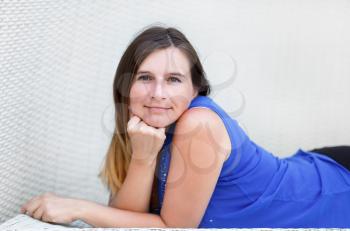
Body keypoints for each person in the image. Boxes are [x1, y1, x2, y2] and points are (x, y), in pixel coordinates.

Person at [20, 25, 350, 228]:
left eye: (174, 79)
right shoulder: (144, 133)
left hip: (334, 185)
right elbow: (125, 221)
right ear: (125, 87)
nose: (158, 93)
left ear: (195, 90)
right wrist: (142, 157)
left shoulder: (198, 124)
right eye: (145, 78)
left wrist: (77, 207)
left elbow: (174, 228)